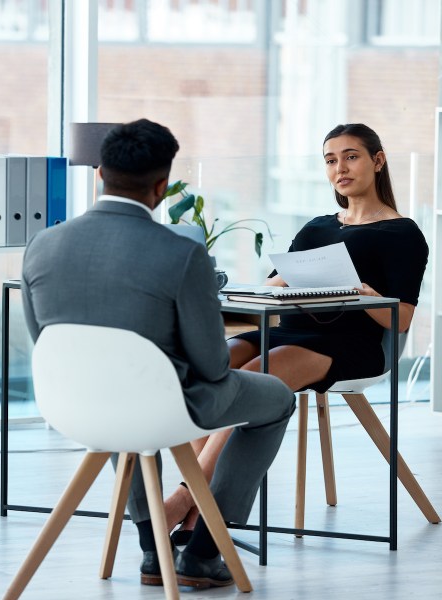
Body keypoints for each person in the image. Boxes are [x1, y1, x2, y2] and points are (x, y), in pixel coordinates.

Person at [21, 118, 295, 588]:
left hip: (72, 405)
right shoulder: (179, 254)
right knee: (276, 398)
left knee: (111, 396)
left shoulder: (41, 245)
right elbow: (213, 365)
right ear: (163, 185)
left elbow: (42, 338)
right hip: (165, 407)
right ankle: (206, 551)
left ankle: (153, 549)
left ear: (100, 173)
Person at [163, 122, 429, 541]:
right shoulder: (319, 226)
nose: (340, 167)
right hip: (286, 333)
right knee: (204, 367)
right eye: (330, 160)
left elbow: (404, 319)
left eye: (351, 156)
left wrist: (367, 295)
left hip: (346, 346)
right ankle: (206, 510)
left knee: (253, 374)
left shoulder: (402, 233)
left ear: (377, 161)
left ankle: (184, 500)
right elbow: (273, 284)